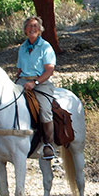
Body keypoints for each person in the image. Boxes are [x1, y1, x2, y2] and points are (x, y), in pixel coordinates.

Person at [16, 15, 57, 160]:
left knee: (45, 110)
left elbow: (49, 70)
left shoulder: (46, 47)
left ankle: (48, 145)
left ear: (40, 30)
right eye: (29, 26)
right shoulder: (22, 47)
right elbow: (20, 69)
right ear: (25, 30)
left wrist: (35, 83)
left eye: (35, 26)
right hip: (22, 82)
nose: (32, 28)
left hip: (41, 83)